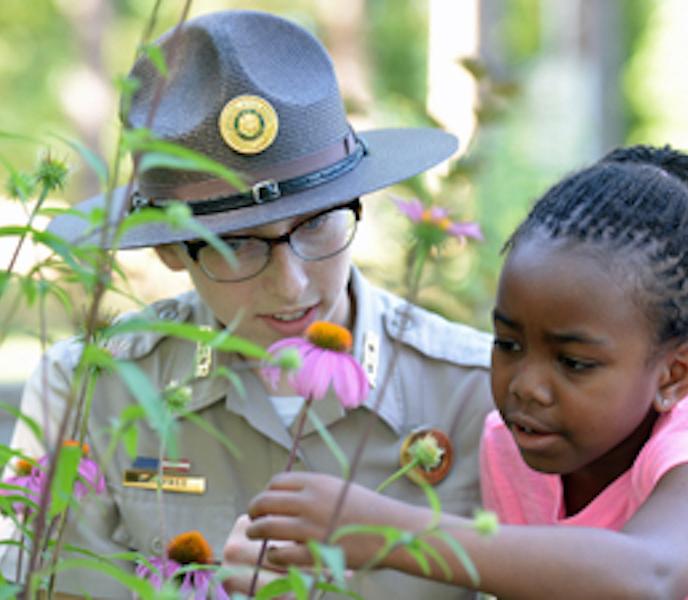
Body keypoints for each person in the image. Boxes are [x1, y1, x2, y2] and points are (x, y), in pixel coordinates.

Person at [0, 9, 493, 599]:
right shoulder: (88, 393)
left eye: (315, 224)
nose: (291, 285)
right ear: (170, 252)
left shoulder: (474, 391)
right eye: (233, 244)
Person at [242, 145, 688, 599]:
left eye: (574, 363)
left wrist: (383, 529)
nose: (525, 386)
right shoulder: (512, 452)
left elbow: (648, 574)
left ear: (675, 374)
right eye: (508, 343)